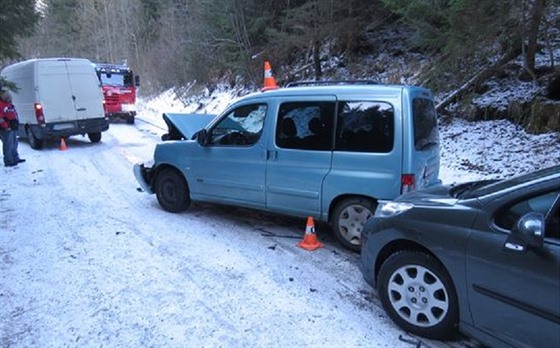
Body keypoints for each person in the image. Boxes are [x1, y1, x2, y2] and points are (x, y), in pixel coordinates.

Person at [0, 89, 25, 167]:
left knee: (14, 143)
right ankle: (8, 160)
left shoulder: (9, 104)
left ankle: (15, 158)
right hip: (6, 128)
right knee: (8, 144)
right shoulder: (1, 105)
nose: (10, 99)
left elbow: (13, 114)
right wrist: (6, 126)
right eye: (8, 97)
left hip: (12, 126)